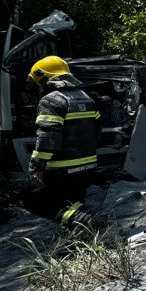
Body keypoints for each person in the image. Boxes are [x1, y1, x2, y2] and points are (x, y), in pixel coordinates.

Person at [24, 56, 101, 229]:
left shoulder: (51, 100)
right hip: (88, 168)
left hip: (61, 170)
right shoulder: (87, 98)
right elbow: (97, 132)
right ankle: (80, 237)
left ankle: (86, 222)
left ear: (42, 77)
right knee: (73, 202)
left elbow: (48, 137)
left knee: (32, 199)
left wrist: (36, 167)